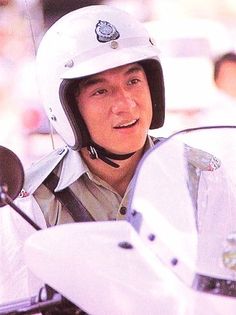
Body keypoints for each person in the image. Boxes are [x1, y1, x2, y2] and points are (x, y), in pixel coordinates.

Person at [1, 4, 236, 314]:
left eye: (133, 82)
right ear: (68, 108)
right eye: (101, 91)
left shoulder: (198, 175)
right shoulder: (33, 201)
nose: (126, 105)